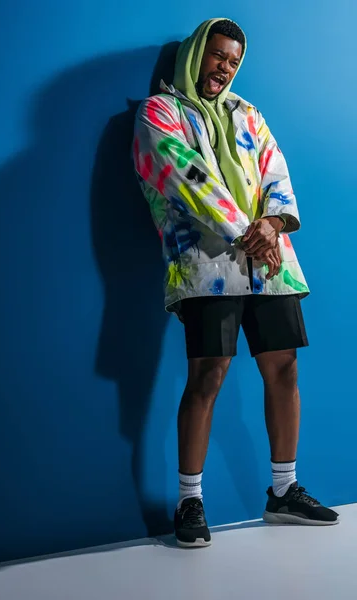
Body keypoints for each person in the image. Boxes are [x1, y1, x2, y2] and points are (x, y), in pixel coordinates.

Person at [133, 18, 338, 548]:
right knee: (207, 377)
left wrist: (270, 225)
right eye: (216, 56)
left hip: (269, 263)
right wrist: (248, 229)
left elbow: (276, 173)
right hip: (205, 265)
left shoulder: (248, 115)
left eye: (231, 61)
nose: (223, 68)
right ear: (197, 54)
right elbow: (185, 176)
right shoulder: (160, 113)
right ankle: (189, 499)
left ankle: (284, 492)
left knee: (284, 368)